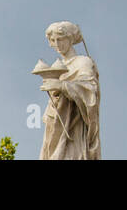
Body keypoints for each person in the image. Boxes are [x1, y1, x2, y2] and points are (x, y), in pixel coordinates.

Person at [38, 21, 101, 160]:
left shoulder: (83, 62)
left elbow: (90, 90)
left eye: (60, 39)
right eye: (53, 40)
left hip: (74, 127)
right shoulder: (58, 66)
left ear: (70, 38)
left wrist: (62, 86)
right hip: (56, 124)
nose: (57, 44)